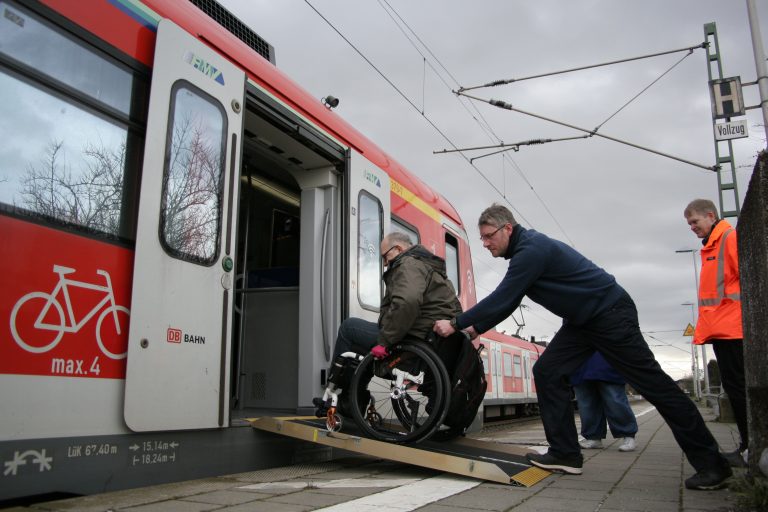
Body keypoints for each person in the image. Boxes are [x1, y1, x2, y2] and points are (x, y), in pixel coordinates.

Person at [434, 204, 731, 490]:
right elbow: (508, 302)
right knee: (548, 371)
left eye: (488, 236)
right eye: (482, 238)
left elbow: (504, 296)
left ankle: (712, 465)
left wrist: (457, 323)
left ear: (507, 229)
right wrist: (474, 328)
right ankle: (565, 454)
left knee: (656, 387)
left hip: (610, 314)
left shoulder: (531, 250)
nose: (485, 243)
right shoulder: (527, 251)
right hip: (583, 321)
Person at [315, 231, 462, 415]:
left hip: (413, 339)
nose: (385, 263)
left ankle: (343, 394)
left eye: (385, 256)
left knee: (349, 328)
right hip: (427, 340)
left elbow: (407, 302)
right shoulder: (430, 268)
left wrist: (385, 341)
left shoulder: (408, 264)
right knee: (362, 345)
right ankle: (352, 401)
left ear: (398, 249)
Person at [684, 199, 748, 467]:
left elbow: (748, 276)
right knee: (734, 388)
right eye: (689, 224)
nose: (692, 228)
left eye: (695, 222)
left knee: (740, 388)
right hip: (723, 329)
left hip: (734, 328)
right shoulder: (713, 245)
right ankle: (748, 445)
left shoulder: (728, 240)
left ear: (711, 216)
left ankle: (749, 448)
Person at [571, 352, 638, 452]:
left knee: (615, 401)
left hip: (606, 360)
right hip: (580, 364)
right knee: (587, 405)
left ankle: (628, 435)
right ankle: (593, 437)